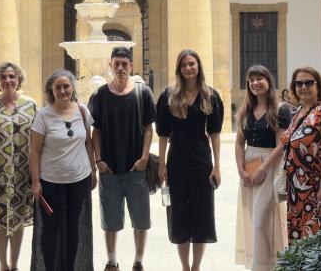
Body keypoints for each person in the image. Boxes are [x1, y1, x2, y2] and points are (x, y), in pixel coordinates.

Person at [156, 49, 224, 271]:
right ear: (179, 68)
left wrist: (217, 166)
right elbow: (163, 134)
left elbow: (215, 133)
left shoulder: (210, 95)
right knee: (179, 216)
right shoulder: (169, 95)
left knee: (201, 215)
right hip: (176, 161)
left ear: (198, 66)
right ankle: (185, 267)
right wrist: (162, 164)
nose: (188, 68)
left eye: (192, 64)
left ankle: (196, 267)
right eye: (184, 65)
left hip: (201, 161)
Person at [89, 47, 156, 271]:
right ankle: (112, 261)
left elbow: (149, 128)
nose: (120, 68)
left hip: (136, 168)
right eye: (116, 64)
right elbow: (96, 130)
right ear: (110, 65)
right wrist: (99, 160)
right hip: (109, 169)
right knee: (110, 221)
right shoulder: (100, 95)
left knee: (141, 220)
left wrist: (144, 157)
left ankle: (138, 262)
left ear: (131, 66)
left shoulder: (143, 93)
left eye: (124, 64)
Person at [29, 69, 98, 271]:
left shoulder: (82, 111)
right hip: (51, 182)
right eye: (58, 87)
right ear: (51, 90)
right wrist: (36, 181)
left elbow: (88, 142)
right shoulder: (43, 115)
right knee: (51, 231)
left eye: (66, 86)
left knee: (74, 229)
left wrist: (93, 169)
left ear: (72, 88)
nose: (63, 91)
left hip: (79, 180)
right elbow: (34, 151)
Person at [0, 62, 37, 271]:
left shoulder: (30, 105)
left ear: (18, 79)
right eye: (3, 77)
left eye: (12, 76)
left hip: (22, 170)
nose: (8, 80)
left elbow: (38, 137)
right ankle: (3, 265)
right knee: (0, 219)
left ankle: (14, 264)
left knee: (18, 218)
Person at [234, 65, 290, 270]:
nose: (255, 83)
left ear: (269, 81)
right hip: (249, 165)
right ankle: (262, 264)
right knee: (252, 218)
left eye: (259, 79)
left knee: (263, 219)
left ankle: (267, 265)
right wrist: (241, 169)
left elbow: (282, 144)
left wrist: (263, 168)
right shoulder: (246, 110)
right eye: (251, 80)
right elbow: (239, 143)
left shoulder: (281, 109)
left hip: (270, 165)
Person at [281, 66, 321, 242]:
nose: (303, 87)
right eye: (298, 83)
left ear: (318, 86)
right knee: (297, 234)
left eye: (308, 83)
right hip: (296, 188)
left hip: (315, 188)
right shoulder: (299, 112)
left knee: (316, 236)